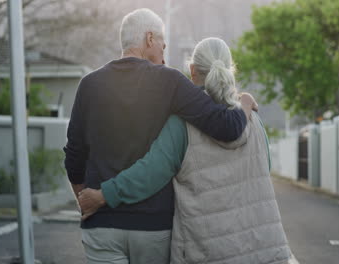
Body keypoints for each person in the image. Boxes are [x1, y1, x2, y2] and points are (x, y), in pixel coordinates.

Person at [64, 9, 257, 264]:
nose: (164, 59)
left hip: (101, 225)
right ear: (149, 39)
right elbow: (228, 128)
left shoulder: (89, 84)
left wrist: (85, 202)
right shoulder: (170, 81)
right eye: (163, 48)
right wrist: (243, 102)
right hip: (152, 226)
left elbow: (74, 156)